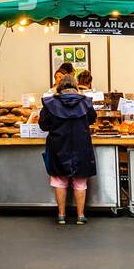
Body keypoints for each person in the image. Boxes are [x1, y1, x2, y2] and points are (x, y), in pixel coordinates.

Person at [39, 75, 97, 225]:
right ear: (76, 86)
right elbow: (92, 119)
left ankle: (61, 215)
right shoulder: (86, 102)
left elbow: (43, 125)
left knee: (59, 180)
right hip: (81, 144)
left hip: (58, 145)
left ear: (59, 87)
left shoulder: (50, 103)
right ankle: (80, 215)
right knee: (80, 181)